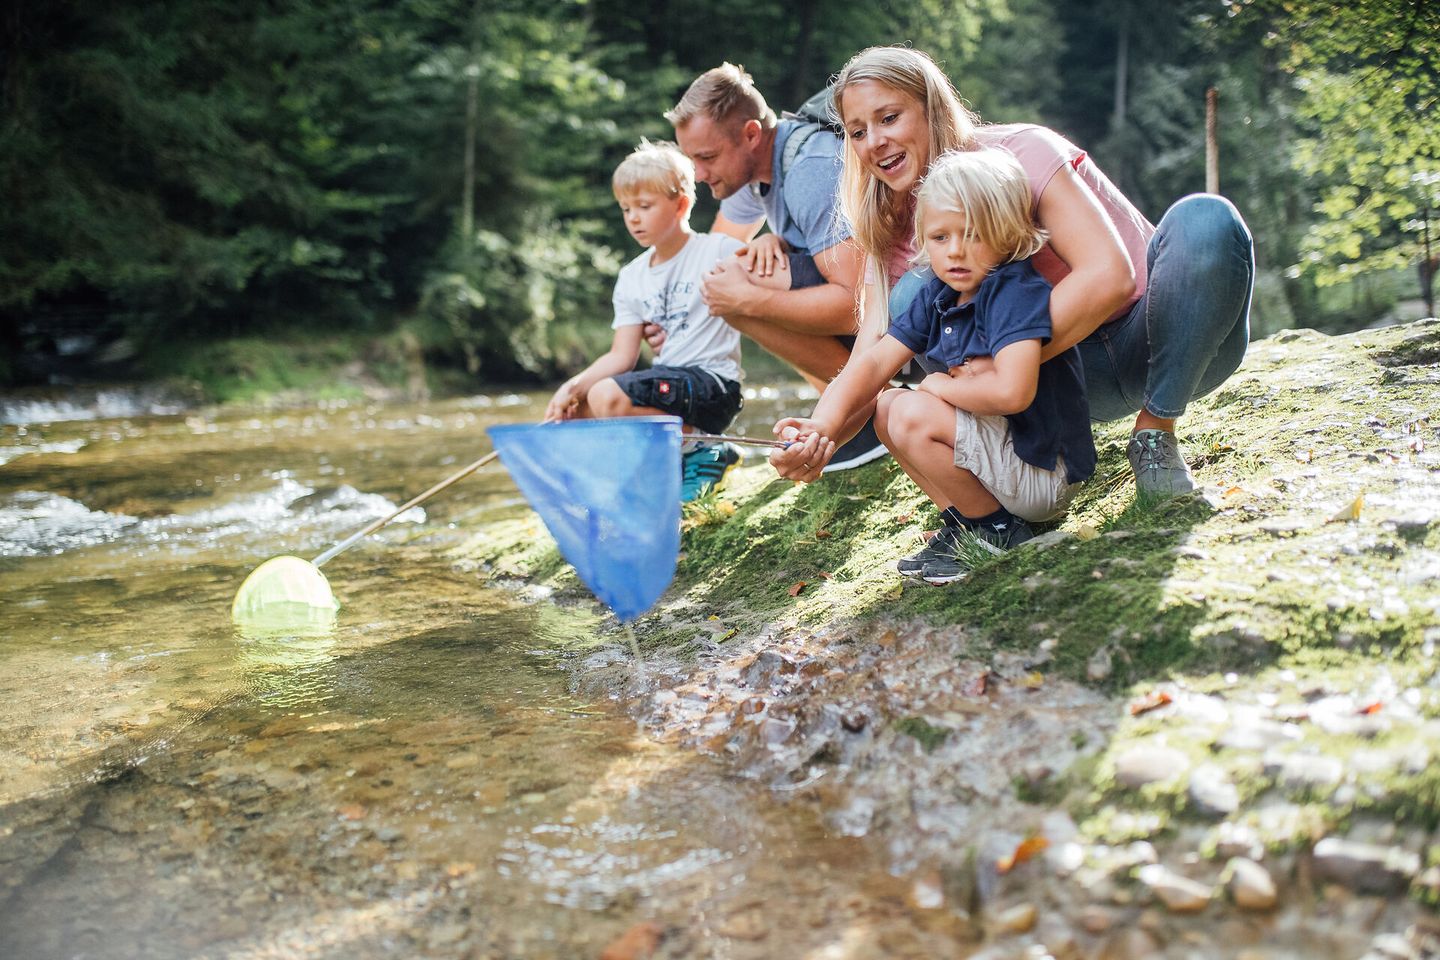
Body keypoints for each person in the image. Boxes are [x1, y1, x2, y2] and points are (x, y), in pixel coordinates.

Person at [772, 46, 1254, 497]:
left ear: (932, 108)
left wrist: (1003, 358)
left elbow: (1111, 277)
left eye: (889, 118)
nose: (875, 142)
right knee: (913, 296)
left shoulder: (1024, 152)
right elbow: (872, 355)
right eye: (857, 132)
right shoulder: (890, 224)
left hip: (1162, 342)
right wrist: (821, 431)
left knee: (1206, 219)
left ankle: (1156, 432)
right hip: (1060, 387)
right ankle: (1005, 501)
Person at [777, 149, 1095, 584]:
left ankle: (997, 530)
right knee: (887, 406)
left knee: (908, 410)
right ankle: (969, 522)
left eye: (973, 235)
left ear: (1007, 234)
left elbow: (1012, 392)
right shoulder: (942, 292)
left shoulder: (1013, 291)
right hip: (1007, 455)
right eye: (940, 237)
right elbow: (874, 363)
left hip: (1044, 472)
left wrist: (937, 387)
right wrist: (820, 427)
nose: (956, 251)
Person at [663, 63, 888, 472]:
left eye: (708, 157)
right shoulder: (752, 174)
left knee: (739, 285)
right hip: (873, 317)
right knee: (729, 276)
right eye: (691, 160)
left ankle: (866, 413)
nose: (697, 175)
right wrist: (668, 322)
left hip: (909, 316)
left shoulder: (808, 171)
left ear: (750, 135)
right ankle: (847, 413)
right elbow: (712, 263)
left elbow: (858, 307)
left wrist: (751, 299)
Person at [544, 140, 759, 501]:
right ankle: (661, 470)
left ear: (681, 205)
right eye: (626, 208)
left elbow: (768, 263)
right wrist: (572, 388)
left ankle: (707, 448)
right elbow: (621, 356)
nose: (633, 217)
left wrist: (773, 244)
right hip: (669, 386)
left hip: (713, 386)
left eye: (644, 206)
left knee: (606, 395)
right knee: (578, 409)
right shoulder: (632, 276)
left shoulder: (716, 250)